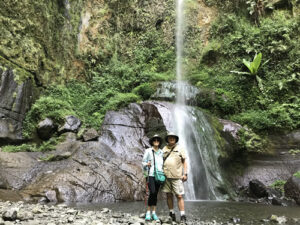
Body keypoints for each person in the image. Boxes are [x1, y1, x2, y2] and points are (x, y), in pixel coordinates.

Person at [161, 132, 188, 223]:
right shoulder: (164, 148)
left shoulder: (180, 148)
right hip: (166, 176)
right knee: (168, 195)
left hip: (177, 176)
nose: (171, 139)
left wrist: (185, 173)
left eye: (173, 137)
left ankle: (182, 215)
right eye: (170, 137)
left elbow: (184, 161)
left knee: (179, 195)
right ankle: (171, 213)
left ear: (176, 139)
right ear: (167, 139)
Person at [142, 134, 164, 221]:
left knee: (155, 194)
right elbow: (143, 162)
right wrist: (146, 164)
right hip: (151, 174)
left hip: (159, 175)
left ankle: (154, 213)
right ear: (152, 142)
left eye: (157, 140)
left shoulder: (162, 152)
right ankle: (148, 212)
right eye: (154, 140)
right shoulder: (148, 151)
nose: (156, 142)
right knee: (152, 192)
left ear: (159, 142)